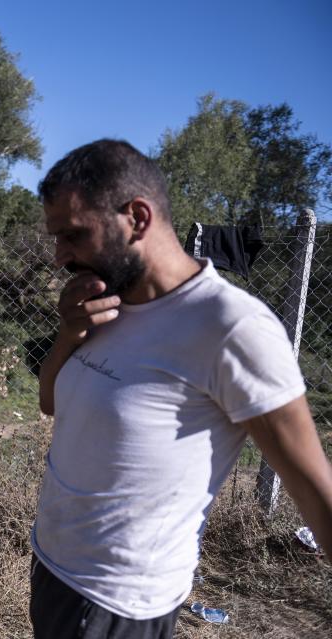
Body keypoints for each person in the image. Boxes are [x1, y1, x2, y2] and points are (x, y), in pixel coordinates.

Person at [30, 139, 332, 639]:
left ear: (138, 218)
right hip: (54, 569)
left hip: (118, 604)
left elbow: (315, 487)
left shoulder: (232, 329)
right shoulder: (105, 302)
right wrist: (68, 333)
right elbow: (49, 402)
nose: (61, 256)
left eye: (74, 235)